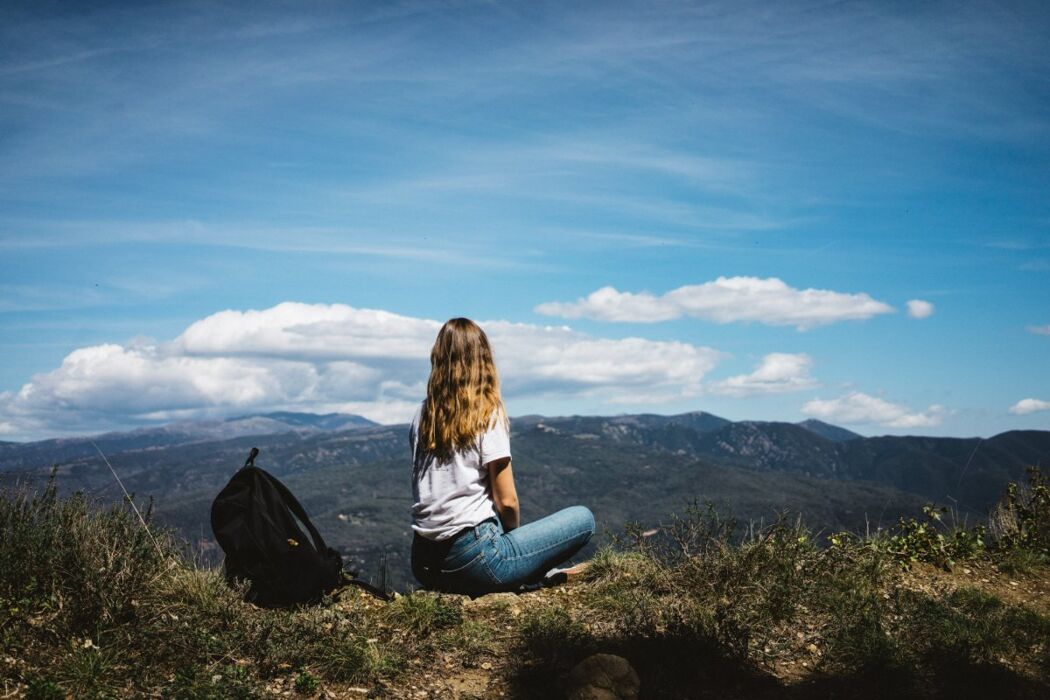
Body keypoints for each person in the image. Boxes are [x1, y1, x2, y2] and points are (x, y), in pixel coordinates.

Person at [409, 317, 595, 595]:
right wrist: (512, 539)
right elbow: (506, 501)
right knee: (584, 518)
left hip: (424, 563)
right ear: (483, 358)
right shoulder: (487, 411)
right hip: (475, 561)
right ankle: (526, 573)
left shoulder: (423, 414)